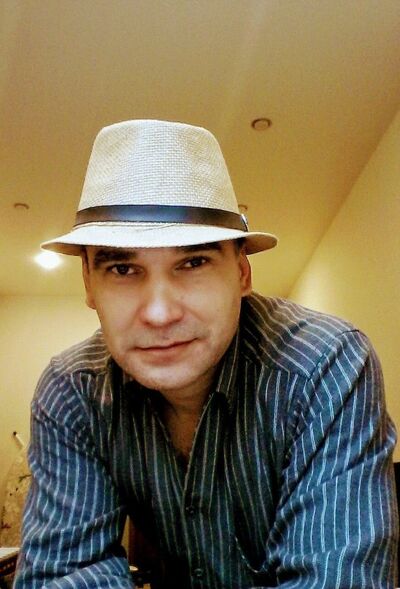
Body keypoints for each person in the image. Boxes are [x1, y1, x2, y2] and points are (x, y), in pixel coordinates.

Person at [14, 120, 398, 589]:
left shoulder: (325, 366)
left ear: (242, 273)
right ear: (88, 285)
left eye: (193, 262)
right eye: (122, 269)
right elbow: (66, 573)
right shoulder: (72, 391)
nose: (159, 313)